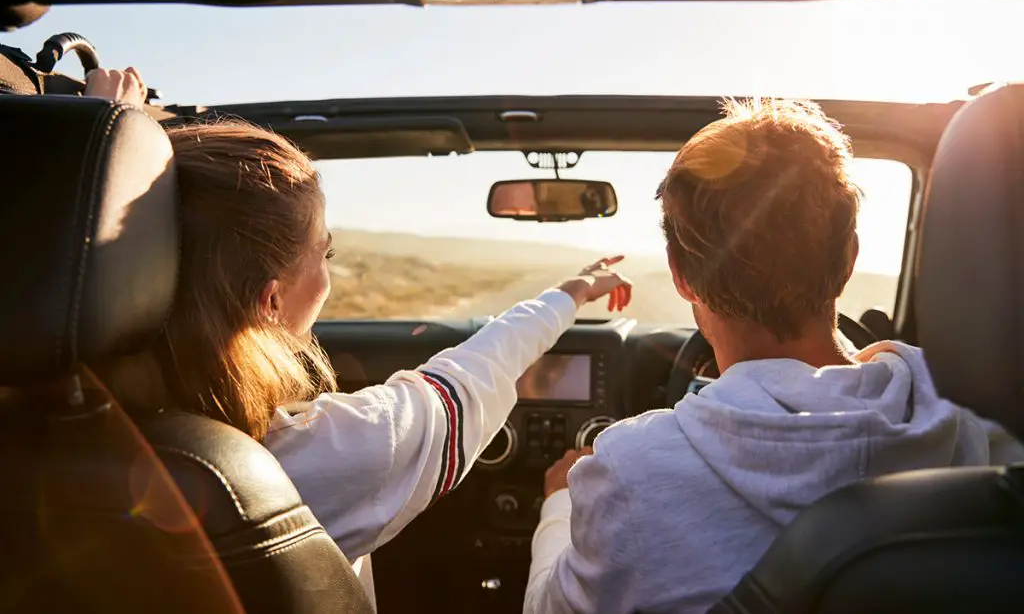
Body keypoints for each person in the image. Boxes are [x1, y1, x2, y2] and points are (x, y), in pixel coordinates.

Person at [83, 69, 634, 608]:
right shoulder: (326, 456)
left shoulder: (44, 430)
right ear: (271, 301)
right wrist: (571, 293)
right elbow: (472, 374)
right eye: (326, 254)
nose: (327, 273)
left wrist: (99, 145)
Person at [524, 98, 1024, 613]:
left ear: (680, 275)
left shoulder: (628, 471)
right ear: (849, 256)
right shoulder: (979, 420)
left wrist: (560, 504)